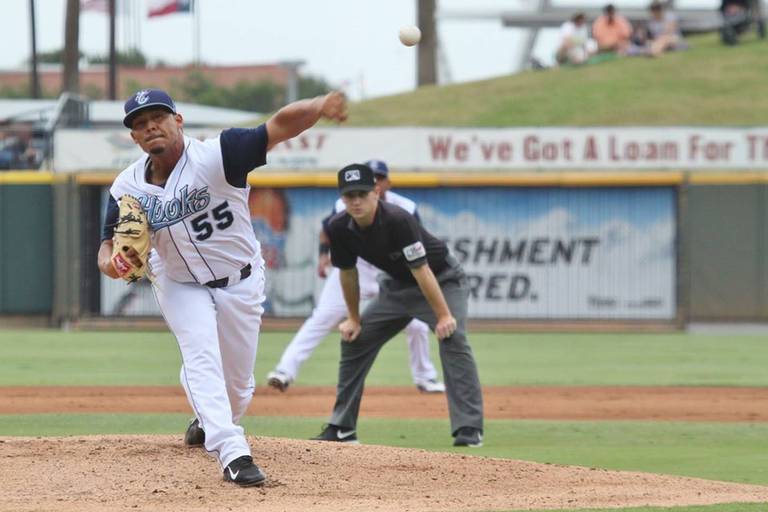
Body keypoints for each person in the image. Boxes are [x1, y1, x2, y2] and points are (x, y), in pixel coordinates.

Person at [97, 88, 347, 487]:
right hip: (179, 283)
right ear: (134, 137)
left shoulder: (219, 154)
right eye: (140, 124)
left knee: (238, 389)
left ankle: (208, 416)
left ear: (178, 121)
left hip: (241, 281)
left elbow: (279, 125)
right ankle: (233, 453)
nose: (150, 127)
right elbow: (107, 245)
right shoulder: (127, 187)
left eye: (158, 118)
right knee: (201, 355)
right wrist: (111, 263)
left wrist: (319, 105)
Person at [311, 163, 484, 448]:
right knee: (355, 340)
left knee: (453, 337)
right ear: (342, 198)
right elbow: (347, 273)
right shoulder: (338, 227)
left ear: (376, 192)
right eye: (349, 195)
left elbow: (422, 270)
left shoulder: (398, 219)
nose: (355, 201)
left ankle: (469, 428)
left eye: (362, 194)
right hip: (396, 288)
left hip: (442, 280)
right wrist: (353, 318)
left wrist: (442, 317)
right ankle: (342, 427)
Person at [266, 160, 446, 394]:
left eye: (380, 177)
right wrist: (323, 256)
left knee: (417, 324)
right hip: (353, 268)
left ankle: (425, 378)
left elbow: (416, 245)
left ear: (384, 185)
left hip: (391, 271)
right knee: (322, 317)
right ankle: (284, 371)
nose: (376, 180)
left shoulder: (406, 208)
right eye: (373, 176)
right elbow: (326, 230)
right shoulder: (345, 204)